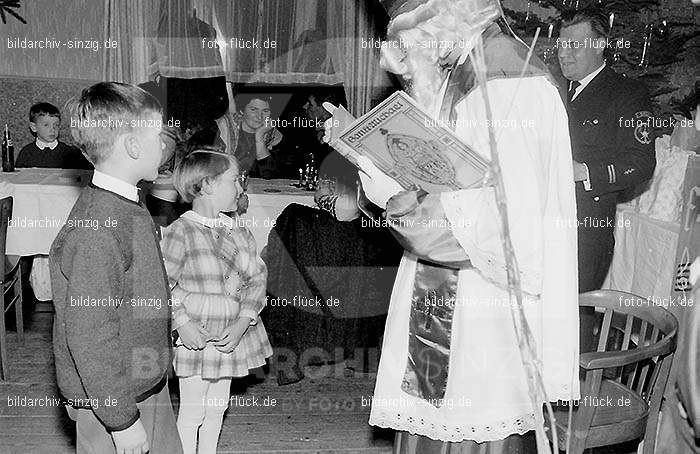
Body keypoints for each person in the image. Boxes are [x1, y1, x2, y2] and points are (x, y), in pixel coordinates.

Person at [337, 0, 580, 452]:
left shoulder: (509, 85)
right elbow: (449, 178)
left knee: (473, 426)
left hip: (485, 304)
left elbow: (498, 229)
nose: (415, 62)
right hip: (444, 289)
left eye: (417, 42)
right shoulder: (462, 65)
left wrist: (395, 198)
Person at [49, 82, 182, 454]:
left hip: (141, 383)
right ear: (133, 146)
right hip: (111, 401)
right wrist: (121, 421)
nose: (165, 143)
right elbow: (89, 334)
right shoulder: (99, 230)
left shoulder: (124, 203)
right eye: (158, 134)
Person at [160, 151, 272, 454]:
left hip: (229, 334)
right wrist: (181, 323)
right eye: (234, 180)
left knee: (217, 406)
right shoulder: (180, 232)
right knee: (193, 410)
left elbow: (256, 280)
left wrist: (241, 323)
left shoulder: (239, 232)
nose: (240, 188)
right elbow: (162, 285)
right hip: (196, 333)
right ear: (207, 185)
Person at [557, 8, 656, 351]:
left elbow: (641, 162)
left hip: (587, 228)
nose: (563, 52)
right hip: (544, 221)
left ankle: (574, 398)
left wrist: (585, 171)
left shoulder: (627, 94)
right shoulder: (552, 91)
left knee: (573, 317)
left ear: (600, 44)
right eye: (560, 43)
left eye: (574, 44)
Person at [216, 94, 283, 178]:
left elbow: (270, 175)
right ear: (241, 111)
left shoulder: (273, 136)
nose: (259, 116)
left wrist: (259, 136)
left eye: (265, 111)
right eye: (253, 110)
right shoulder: (222, 130)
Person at [16, 102, 92, 169]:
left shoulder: (70, 152)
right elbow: (18, 178)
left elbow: (88, 173)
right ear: (34, 127)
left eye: (56, 125)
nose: (52, 129)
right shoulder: (27, 153)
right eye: (46, 125)